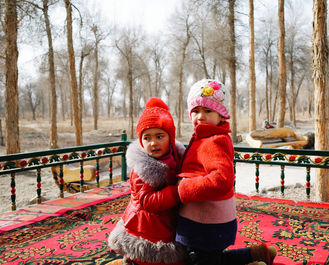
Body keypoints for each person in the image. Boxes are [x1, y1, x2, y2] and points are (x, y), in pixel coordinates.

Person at [175, 79, 277, 265]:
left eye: (208, 111)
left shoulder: (215, 140)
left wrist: (184, 188)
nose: (200, 116)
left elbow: (222, 179)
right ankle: (259, 254)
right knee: (211, 258)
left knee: (202, 261)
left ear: (221, 116)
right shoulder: (203, 136)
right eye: (196, 111)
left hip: (206, 221)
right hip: (203, 218)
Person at [108, 97, 186, 265]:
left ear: (170, 138)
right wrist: (178, 191)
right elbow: (147, 201)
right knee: (149, 255)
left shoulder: (174, 158)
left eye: (159, 136)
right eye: (147, 138)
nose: (153, 143)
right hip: (146, 223)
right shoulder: (142, 169)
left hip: (166, 217)